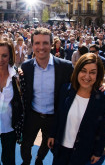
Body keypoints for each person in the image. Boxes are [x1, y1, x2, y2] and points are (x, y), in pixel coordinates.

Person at [20, 28, 74, 165]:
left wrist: (104, 83)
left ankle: (39, 159)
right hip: (32, 115)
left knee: (47, 144)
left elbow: (82, 81)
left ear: (51, 44)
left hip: (53, 117)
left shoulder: (65, 67)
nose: (41, 47)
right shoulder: (26, 67)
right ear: (32, 45)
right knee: (25, 144)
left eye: (45, 43)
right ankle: (26, 161)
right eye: (37, 43)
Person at [48, 53, 105, 165]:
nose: (87, 76)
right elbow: (58, 115)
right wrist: (52, 134)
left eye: (92, 72)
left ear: (98, 75)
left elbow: (103, 129)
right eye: (83, 70)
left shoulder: (104, 98)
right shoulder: (65, 89)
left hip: (83, 153)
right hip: (61, 149)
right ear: (77, 71)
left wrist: (98, 152)